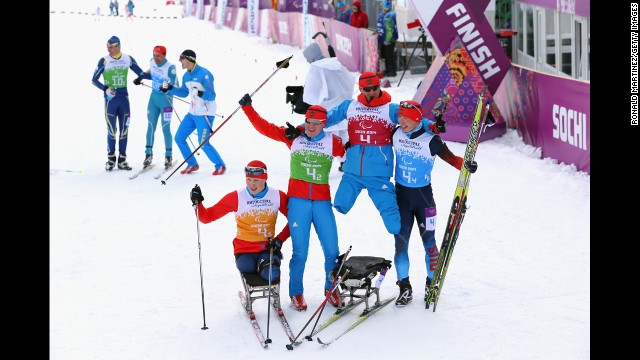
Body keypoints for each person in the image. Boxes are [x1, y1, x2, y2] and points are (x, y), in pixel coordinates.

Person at [238, 94, 345, 311]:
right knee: (300, 252)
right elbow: (265, 128)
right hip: (298, 201)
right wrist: (248, 108)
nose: (311, 126)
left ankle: (330, 288)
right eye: (308, 121)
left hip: (322, 201)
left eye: (316, 123)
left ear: (324, 124)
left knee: (332, 251)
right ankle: (296, 293)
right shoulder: (293, 136)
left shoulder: (332, 142)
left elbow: (352, 153)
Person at [316, 72, 446, 235]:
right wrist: (302, 128)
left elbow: (414, 118)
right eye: (367, 89)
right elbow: (323, 120)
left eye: (375, 87)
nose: (371, 92)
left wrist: (434, 127)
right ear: (360, 89)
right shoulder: (349, 106)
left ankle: (405, 231)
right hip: (352, 172)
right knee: (340, 205)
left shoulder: (390, 109)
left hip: (378, 174)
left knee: (394, 225)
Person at [390, 100, 478, 306]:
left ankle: (431, 282)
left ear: (416, 119)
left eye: (406, 117)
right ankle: (404, 286)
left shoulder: (431, 140)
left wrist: (468, 166)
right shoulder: (395, 134)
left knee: (429, 243)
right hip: (401, 198)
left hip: (423, 200)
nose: (401, 120)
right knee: (400, 245)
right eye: (400, 116)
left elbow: (453, 160)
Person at [190, 160, 291, 283]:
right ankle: (262, 267)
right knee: (247, 267)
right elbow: (207, 217)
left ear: (265, 178)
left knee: (272, 275)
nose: (251, 185)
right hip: (244, 249)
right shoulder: (237, 197)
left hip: (267, 248)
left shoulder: (277, 195)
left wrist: (280, 239)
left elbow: (295, 222)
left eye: (256, 180)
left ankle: (266, 268)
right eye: (248, 180)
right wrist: (198, 203)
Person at [285, 42, 355, 171]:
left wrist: (307, 100)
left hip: (328, 110)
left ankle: (322, 164)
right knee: (343, 136)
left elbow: (310, 95)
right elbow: (351, 80)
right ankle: (347, 162)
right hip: (345, 109)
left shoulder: (316, 68)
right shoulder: (336, 64)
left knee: (327, 140)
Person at [161, 49, 227, 175]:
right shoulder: (186, 76)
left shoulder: (205, 74)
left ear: (190, 59)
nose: (180, 61)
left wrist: (201, 93)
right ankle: (192, 164)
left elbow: (212, 96)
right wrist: (170, 89)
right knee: (179, 138)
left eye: (182, 58)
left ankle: (220, 165)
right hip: (192, 112)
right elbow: (184, 93)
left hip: (205, 113)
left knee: (203, 143)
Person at [92, 35, 146, 171]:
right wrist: (105, 88)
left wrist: (157, 75)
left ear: (118, 46)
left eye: (111, 47)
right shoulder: (104, 61)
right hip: (110, 101)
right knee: (111, 131)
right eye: (107, 47)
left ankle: (122, 160)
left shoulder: (127, 59)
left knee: (124, 130)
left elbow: (141, 73)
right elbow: (94, 79)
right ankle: (111, 159)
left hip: (123, 99)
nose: (108, 49)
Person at [132, 45, 179, 170]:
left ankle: (168, 156)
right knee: (151, 126)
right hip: (153, 99)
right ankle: (148, 155)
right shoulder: (152, 61)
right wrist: (140, 77)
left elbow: (176, 84)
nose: (155, 58)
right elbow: (150, 71)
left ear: (164, 55)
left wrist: (168, 86)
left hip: (166, 101)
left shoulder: (171, 67)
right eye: (154, 55)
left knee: (165, 128)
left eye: (158, 55)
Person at [376, 1, 398, 77]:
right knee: (383, 56)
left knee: (389, 56)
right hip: (382, 39)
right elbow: (379, 26)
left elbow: (390, 30)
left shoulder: (389, 16)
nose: (385, 9)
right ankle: (386, 70)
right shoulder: (381, 14)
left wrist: (387, 40)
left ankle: (392, 71)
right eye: (384, 8)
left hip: (389, 40)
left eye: (387, 8)